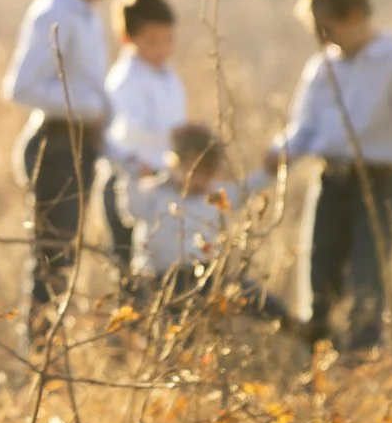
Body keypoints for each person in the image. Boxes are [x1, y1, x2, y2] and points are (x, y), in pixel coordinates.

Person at [260, 0, 392, 356]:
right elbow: (306, 127)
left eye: (326, 28)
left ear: (353, 17)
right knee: (318, 285)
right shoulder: (322, 67)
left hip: (377, 187)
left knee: (367, 290)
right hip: (329, 184)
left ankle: (361, 376)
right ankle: (317, 375)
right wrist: (284, 148)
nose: (321, 39)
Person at [2, 0, 135, 334]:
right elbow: (21, 87)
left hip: (80, 143)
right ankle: (41, 358)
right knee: (51, 262)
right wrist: (85, 109)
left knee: (64, 257)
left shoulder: (83, 12)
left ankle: (50, 356)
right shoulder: (53, 12)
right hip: (54, 147)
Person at [119, 123, 289, 322]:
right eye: (194, 171)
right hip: (157, 279)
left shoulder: (216, 196)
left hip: (204, 276)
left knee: (256, 298)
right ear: (175, 163)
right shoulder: (153, 193)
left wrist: (270, 172)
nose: (200, 180)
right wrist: (131, 174)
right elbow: (129, 211)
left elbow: (248, 188)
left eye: (206, 173)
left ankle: (303, 330)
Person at [104, 0, 186, 190]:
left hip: (164, 172)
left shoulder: (168, 74)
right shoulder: (125, 79)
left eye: (168, 39)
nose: (162, 48)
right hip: (131, 176)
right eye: (152, 41)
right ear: (127, 39)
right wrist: (179, 134)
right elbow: (131, 129)